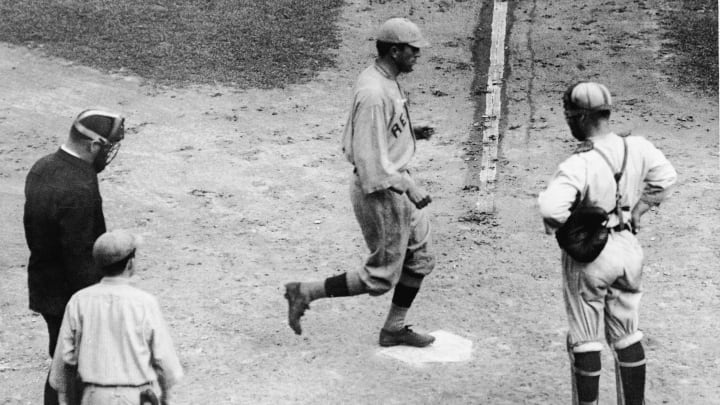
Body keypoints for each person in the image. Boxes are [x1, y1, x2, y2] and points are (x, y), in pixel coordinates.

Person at [283, 17, 438, 347]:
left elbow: (380, 132)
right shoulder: (372, 91)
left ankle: (394, 328)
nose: (417, 55)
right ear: (395, 51)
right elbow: (368, 162)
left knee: (420, 258)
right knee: (380, 276)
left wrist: (412, 132)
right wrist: (407, 186)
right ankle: (306, 291)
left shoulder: (386, 78)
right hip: (381, 191)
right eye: (413, 50)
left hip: (395, 181)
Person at [538, 82, 677, 405]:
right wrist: (639, 209)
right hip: (628, 248)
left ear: (582, 117)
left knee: (585, 339)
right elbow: (666, 178)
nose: (568, 120)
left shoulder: (579, 163)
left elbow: (551, 209)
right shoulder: (637, 146)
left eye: (570, 115)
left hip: (592, 257)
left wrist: (576, 220)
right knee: (628, 333)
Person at [23, 109, 126, 405]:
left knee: (62, 360)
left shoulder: (42, 167)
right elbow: (81, 258)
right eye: (106, 147)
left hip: (45, 286)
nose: (107, 154)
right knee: (75, 371)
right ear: (93, 145)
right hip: (72, 296)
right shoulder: (79, 187)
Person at [49, 230, 184, 405]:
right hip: (136, 397)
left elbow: (64, 359)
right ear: (130, 263)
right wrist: (166, 397)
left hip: (93, 397)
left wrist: (66, 399)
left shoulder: (79, 301)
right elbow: (164, 361)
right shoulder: (144, 302)